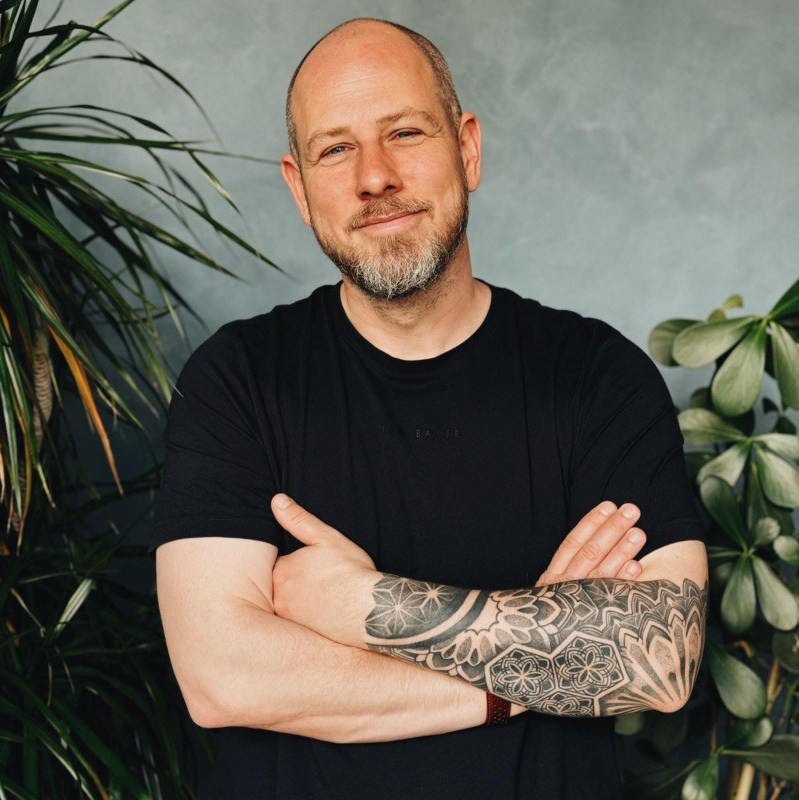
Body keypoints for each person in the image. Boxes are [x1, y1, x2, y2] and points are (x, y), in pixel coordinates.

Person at [152, 17, 708, 800]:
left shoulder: (595, 377)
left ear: (467, 147)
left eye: (404, 132)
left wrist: (365, 605)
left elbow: (660, 661)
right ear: (299, 187)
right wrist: (528, 667)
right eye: (335, 149)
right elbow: (223, 679)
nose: (374, 177)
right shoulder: (238, 381)